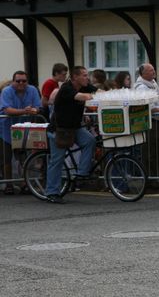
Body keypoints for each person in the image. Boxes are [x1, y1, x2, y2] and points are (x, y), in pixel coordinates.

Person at [45, 66, 95, 204]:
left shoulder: (84, 86)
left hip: (74, 128)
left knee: (90, 140)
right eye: (84, 75)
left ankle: (82, 173)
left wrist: (115, 94)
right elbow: (81, 97)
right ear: (75, 77)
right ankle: (52, 192)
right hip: (60, 129)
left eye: (87, 75)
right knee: (57, 160)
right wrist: (96, 97)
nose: (87, 78)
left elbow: (99, 91)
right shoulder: (67, 88)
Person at [1, 71, 42, 194]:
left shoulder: (33, 90)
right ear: (13, 82)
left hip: (25, 128)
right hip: (6, 129)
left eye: (24, 81)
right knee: (6, 159)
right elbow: (7, 110)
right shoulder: (7, 91)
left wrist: (34, 111)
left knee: (25, 158)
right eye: (18, 81)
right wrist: (25, 111)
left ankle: (26, 183)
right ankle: (8, 185)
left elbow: (37, 108)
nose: (21, 83)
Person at [134, 63, 159, 188]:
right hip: (148, 122)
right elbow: (147, 107)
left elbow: (158, 101)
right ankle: (149, 181)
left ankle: (153, 179)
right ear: (142, 74)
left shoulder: (153, 83)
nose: (153, 71)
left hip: (155, 121)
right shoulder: (141, 87)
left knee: (153, 152)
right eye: (150, 70)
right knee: (148, 152)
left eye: (153, 69)